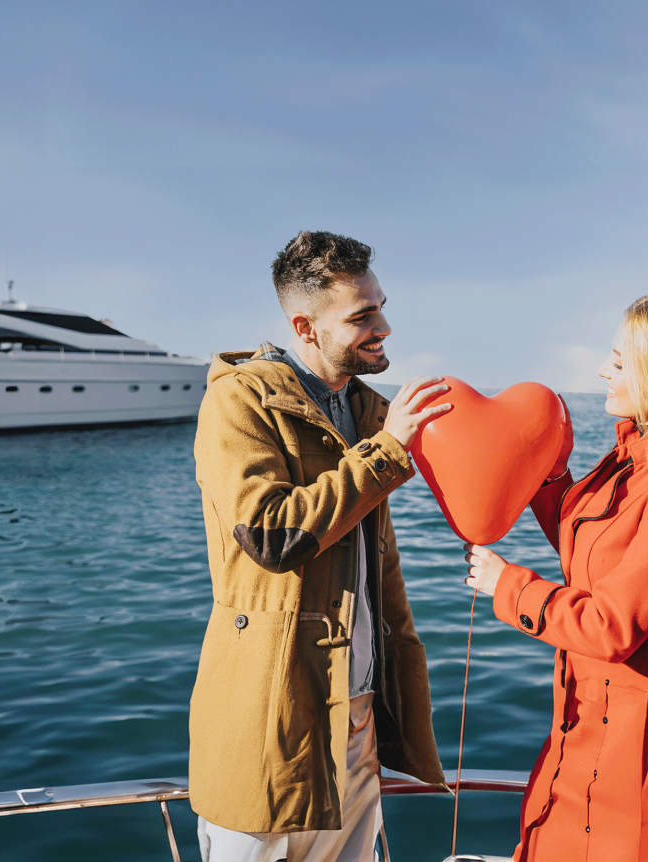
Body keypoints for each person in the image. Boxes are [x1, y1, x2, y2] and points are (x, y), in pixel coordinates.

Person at [191, 231, 450, 862]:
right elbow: (271, 534)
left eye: (381, 306)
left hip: (357, 713)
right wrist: (389, 449)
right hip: (273, 715)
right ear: (304, 325)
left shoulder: (368, 409)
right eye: (362, 316)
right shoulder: (240, 399)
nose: (383, 325)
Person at [463, 295, 648, 862]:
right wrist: (547, 474)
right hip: (586, 720)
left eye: (618, 362)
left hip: (645, 753)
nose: (602, 371)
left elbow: (613, 626)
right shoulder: (630, 460)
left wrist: (509, 586)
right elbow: (591, 553)